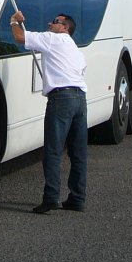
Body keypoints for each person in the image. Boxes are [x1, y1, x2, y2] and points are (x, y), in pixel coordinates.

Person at [10, 11, 88, 214]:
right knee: (78, 153)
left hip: (61, 98)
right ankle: (77, 198)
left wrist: (14, 21)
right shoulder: (74, 48)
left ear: (65, 28)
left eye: (55, 22)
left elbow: (19, 37)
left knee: (53, 151)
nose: (50, 23)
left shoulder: (54, 39)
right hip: (80, 99)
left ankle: (51, 197)